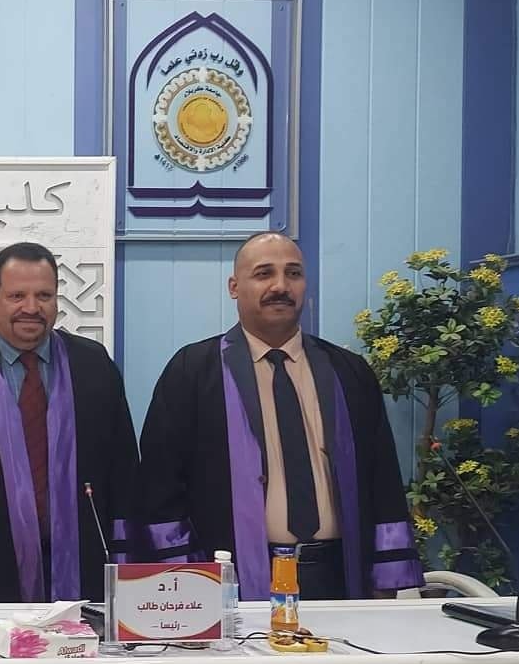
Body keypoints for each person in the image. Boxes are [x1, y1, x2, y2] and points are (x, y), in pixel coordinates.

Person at [138, 231, 424, 601]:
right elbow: (159, 488)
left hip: (338, 575)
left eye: (293, 273)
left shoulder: (348, 372)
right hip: (231, 580)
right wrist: (186, 579)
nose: (280, 286)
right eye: (263, 274)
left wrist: (387, 578)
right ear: (234, 287)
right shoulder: (192, 372)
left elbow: (382, 478)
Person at [0, 242, 140, 603]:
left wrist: (125, 571)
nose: (31, 308)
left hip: (86, 571)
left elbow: (124, 474)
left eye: (43, 295)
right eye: (17, 295)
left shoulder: (94, 367)